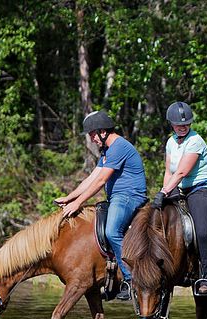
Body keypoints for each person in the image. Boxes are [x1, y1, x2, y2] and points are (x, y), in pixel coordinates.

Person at [55, 111, 147, 301]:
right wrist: (70, 198)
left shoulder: (118, 147)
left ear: (102, 131)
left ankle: (131, 279)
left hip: (129, 196)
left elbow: (100, 182)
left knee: (112, 231)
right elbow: (92, 178)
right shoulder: (107, 151)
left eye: (92, 134)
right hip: (116, 197)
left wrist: (78, 203)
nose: (91, 139)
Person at [151, 101, 207, 296]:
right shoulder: (171, 142)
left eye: (186, 123)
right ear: (171, 124)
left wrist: (164, 193)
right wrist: (164, 191)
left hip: (202, 190)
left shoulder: (196, 141)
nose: (183, 126)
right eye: (178, 124)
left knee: (201, 232)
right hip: (178, 189)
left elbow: (182, 171)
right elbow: (169, 171)